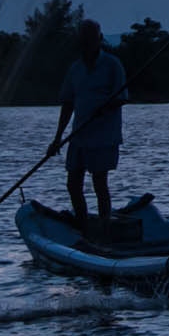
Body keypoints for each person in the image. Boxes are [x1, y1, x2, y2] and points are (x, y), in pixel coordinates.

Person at [48, 19, 127, 233]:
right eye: (85, 39)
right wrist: (57, 138)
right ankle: (82, 224)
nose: (89, 42)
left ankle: (104, 226)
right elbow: (67, 103)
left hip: (104, 136)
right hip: (79, 134)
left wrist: (106, 107)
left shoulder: (112, 65)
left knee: (100, 182)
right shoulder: (75, 69)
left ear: (100, 39)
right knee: (73, 184)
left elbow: (122, 97)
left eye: (92, 38)